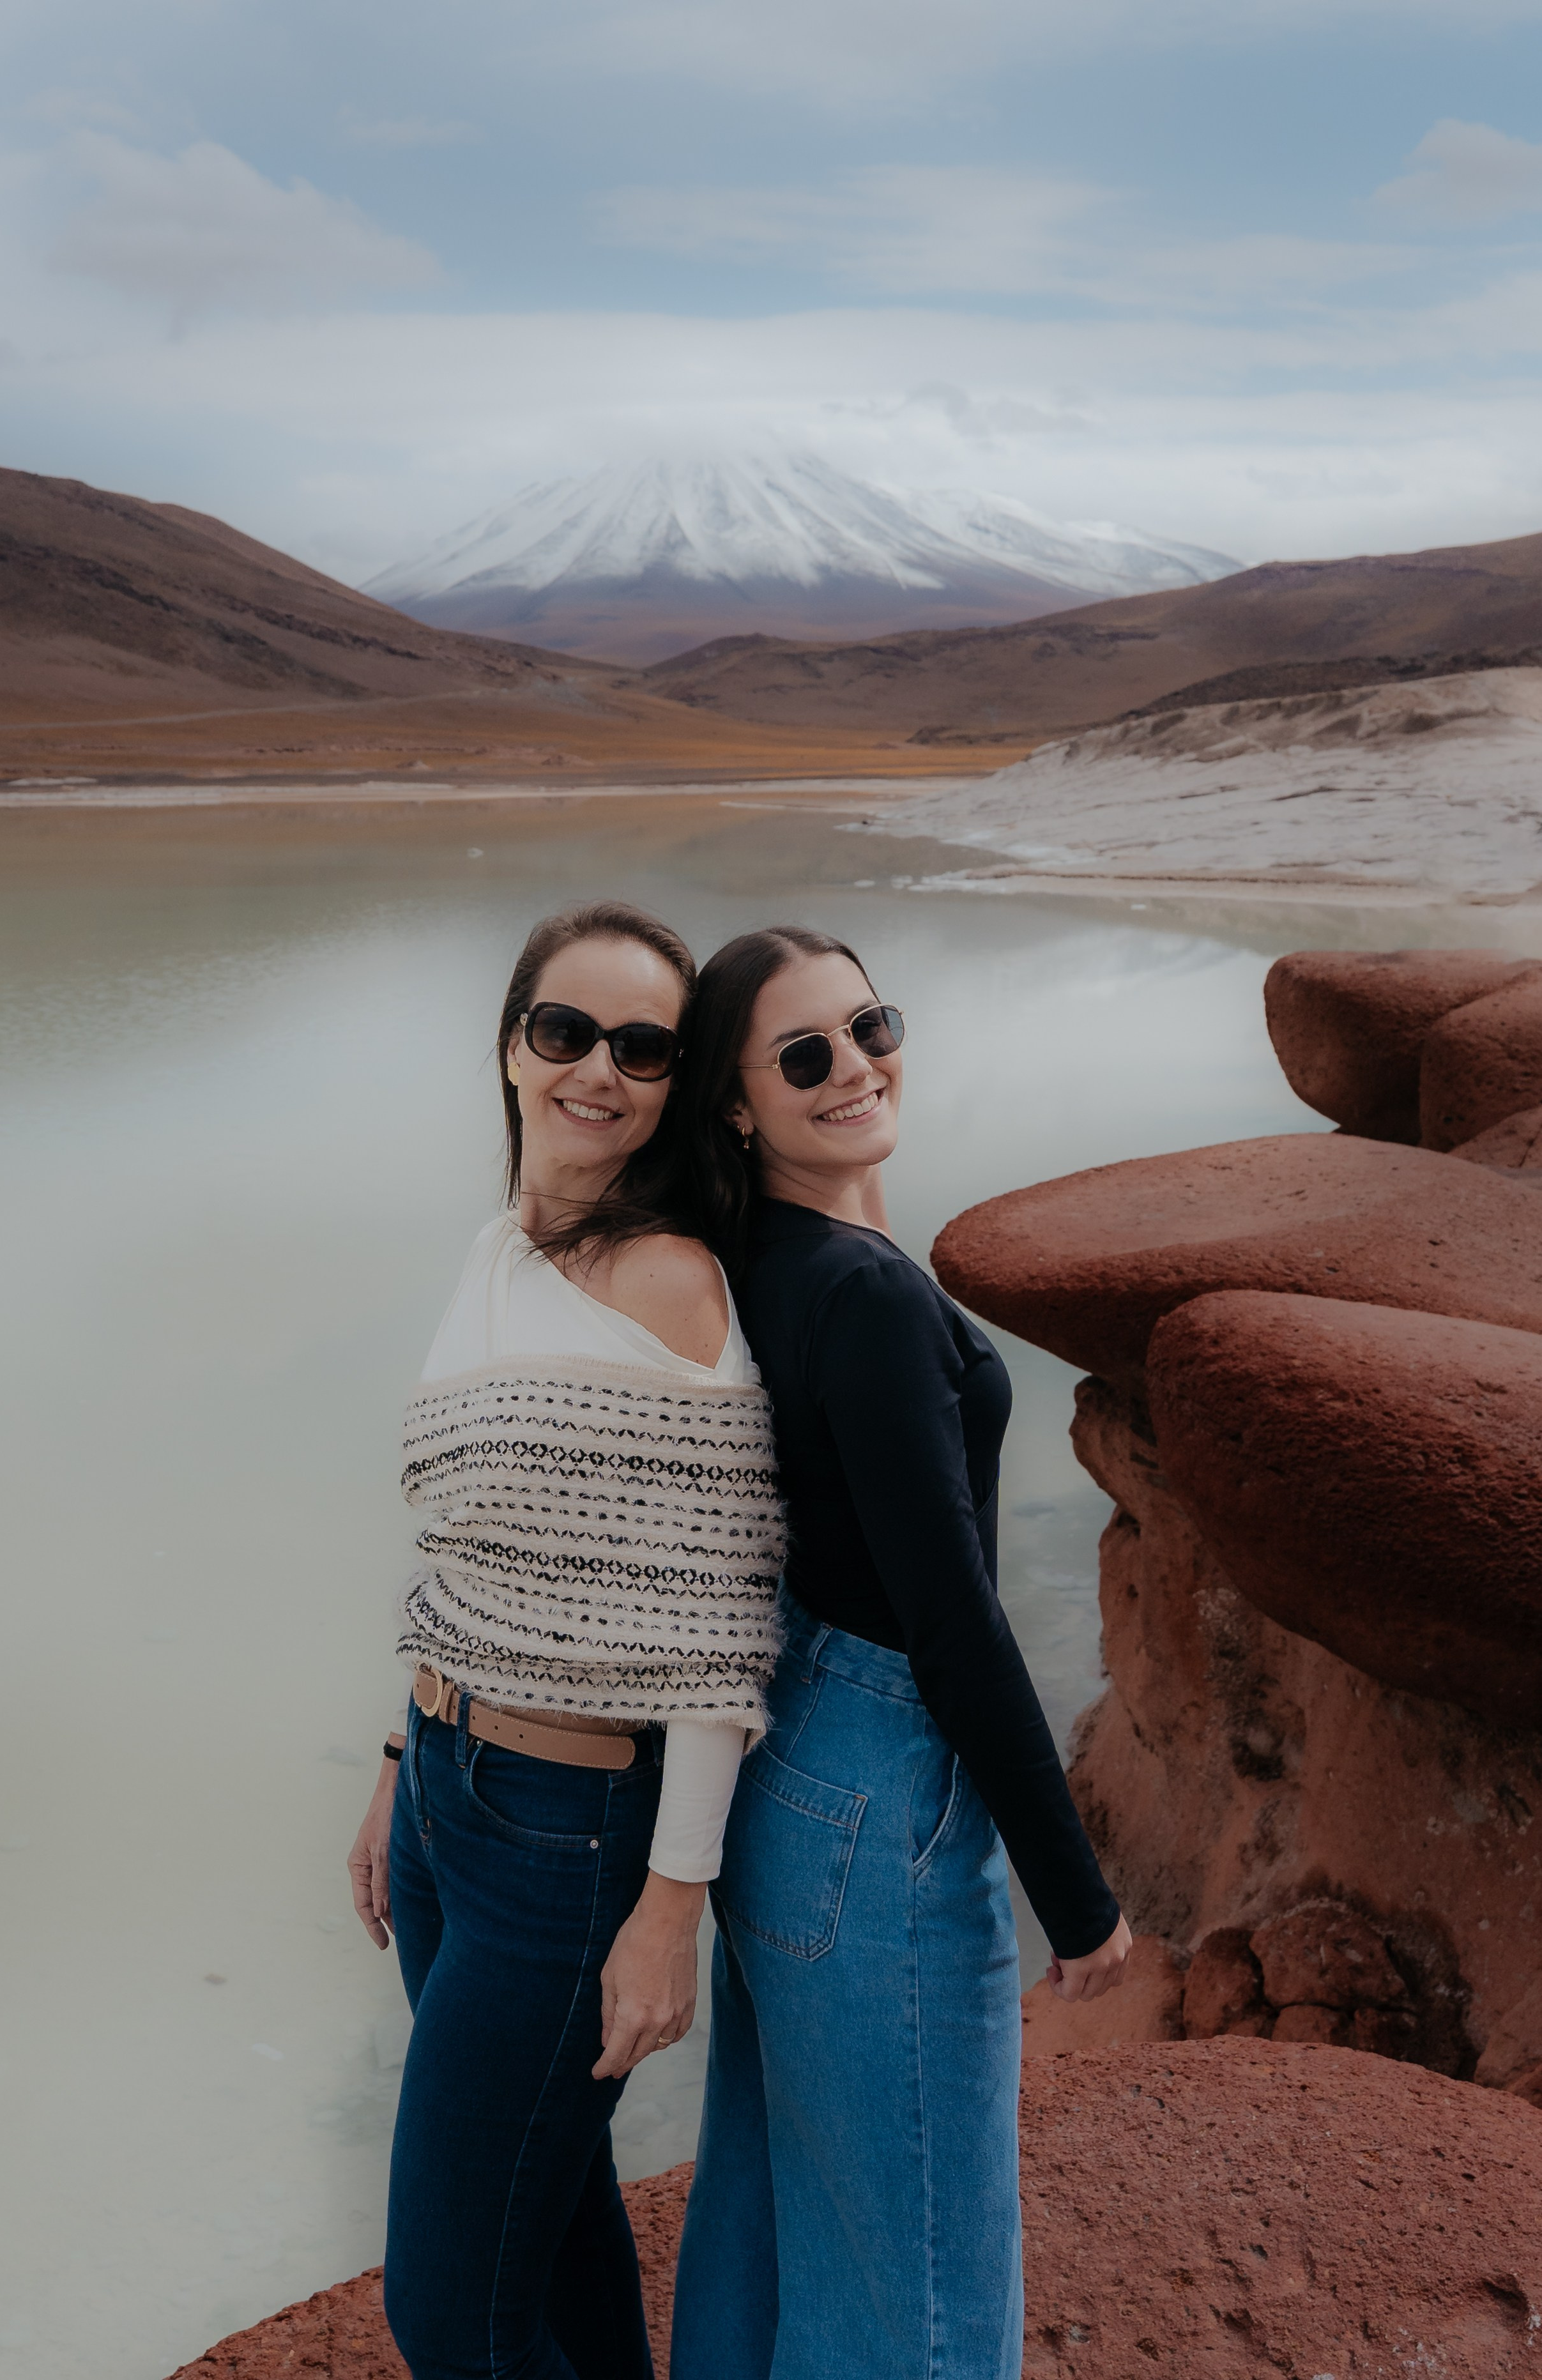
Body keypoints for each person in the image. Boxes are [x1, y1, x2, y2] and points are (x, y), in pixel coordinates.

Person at [670, 924, 1131, 2380]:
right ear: (736, 1102)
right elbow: (952, 1621)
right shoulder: (860, 1295)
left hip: (783, 1762)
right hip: (876, 1779)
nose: (856, 1065)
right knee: (920, 2295)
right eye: (805, 1053)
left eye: (871, 1026)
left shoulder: (748, 1259)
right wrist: (1078, 1901)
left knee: (767, 2212)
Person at [346, 901, 785, 2380]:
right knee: (553, 2220)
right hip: (444, 1788)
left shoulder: (670, 1279)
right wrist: (398, 1757)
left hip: (567, 1833)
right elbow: (467, 1545)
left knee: (447, 2317)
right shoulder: (497, 1249)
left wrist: (670, 1905)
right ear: (512, 1048)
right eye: (566, 1029)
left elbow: (716, 1632)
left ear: (674, 1083)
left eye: (643, 1046)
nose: (599, 1067)